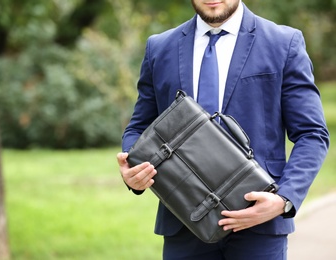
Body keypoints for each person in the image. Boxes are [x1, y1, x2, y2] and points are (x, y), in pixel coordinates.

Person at [117, 0, 330, 259]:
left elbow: (312, 134)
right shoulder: (160, 48)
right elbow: (139, 126)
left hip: (258, 223)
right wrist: (134, 166)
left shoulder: (283, 43)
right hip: (182, 223)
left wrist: (283, 199)